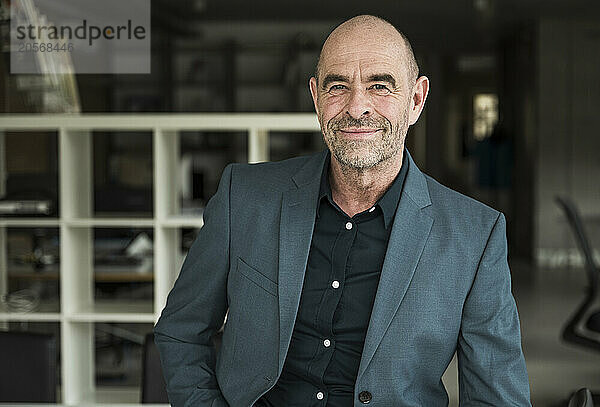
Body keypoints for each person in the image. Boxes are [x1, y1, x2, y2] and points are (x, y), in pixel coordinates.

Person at [154, 15, 531, 407]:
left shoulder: (474, 235)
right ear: (316, 97)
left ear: (416, 100)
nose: (356, 107)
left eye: (380, 86)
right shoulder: (244, 198)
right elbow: (182, 329)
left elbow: (497, 398)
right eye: (338, 86)